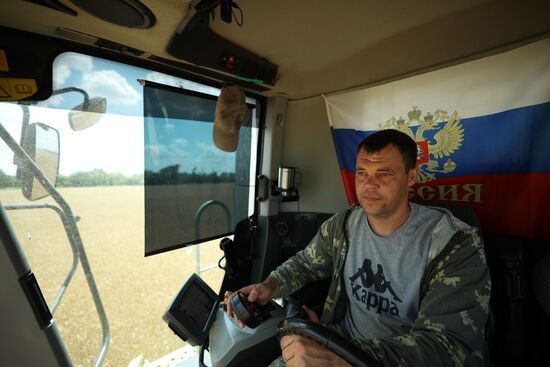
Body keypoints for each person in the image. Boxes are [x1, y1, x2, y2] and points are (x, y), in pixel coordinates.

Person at [228, 129, 491, 366]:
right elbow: (306, 264)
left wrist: (337, 356)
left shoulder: (453, 243)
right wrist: (270, 286)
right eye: (362, 173)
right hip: (340, 343)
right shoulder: (344, 225)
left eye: (383, 174)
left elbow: (447, 348)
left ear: (412, 177)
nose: (368, 185)